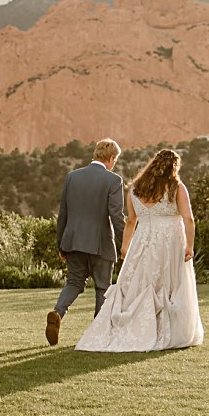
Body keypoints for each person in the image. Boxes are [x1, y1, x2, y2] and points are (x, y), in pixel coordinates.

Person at [76, 147, 203, 352]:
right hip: (170, 241)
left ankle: (135, 326)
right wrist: (189, 245)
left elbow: (131, 221)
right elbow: (189, 218)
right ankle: (163, 329)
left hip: (142, 241)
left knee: (141, 283)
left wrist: (125, 247)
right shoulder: (176, 188)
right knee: (168, 284)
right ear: (174, 167)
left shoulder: (135, 188)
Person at [47, 138, 125, 345]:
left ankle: (58, 312)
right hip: (100, 243)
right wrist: (126, 243)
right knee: (102, 287)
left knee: (74, 282)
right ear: (111, 158)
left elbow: (63, 213)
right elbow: (116, 216)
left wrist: (61, 244)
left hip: (72, 241)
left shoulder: (72, 177)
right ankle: (97, 334)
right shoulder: (113, 180)